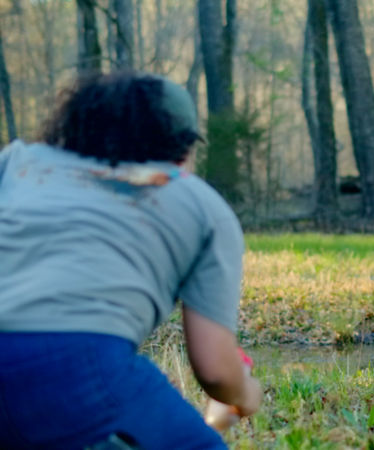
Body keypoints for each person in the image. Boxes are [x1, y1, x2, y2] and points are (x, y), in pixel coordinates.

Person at [0, 72, 261, 449]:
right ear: (183, 148)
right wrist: (244, 394)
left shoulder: (18, 161)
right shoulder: (199, 202)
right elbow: (218, 371)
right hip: (78, 369)